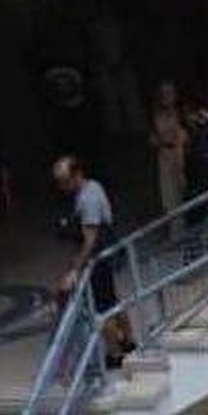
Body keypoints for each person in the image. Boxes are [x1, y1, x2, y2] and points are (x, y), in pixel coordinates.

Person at [52, 156, 136, 369]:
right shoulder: (93, 187)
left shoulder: (87, 200)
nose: (62, 186)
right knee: (113, 301)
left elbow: (90, 239)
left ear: (77, 174)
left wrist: (75, 269)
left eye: (65, 180)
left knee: (102, 308)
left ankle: (114, 353)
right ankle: (128, 340)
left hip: (96, 260)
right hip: (104, 256)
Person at [148, 79, 189, 234]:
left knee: (187, 190)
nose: (167, 97)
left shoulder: (183, 111)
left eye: (170, 93)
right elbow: (152, 139)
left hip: (183, 153)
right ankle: (177, 233)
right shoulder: (155, 115)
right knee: (170, 197)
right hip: (165, 155)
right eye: (163, 94)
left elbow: (186, 133)